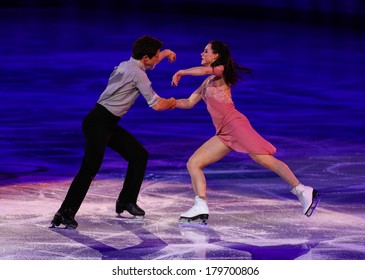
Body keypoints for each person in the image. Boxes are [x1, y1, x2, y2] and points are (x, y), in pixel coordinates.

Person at [171, 40, 320, 224]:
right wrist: (167, 102)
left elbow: (207, 70)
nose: (202, 54)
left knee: (263, 159)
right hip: (224, 132)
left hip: (235, 125)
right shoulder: (207, 82)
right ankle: (200, 206)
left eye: (206, 51)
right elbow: (188, 102)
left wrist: (181, 72)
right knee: (194, 163)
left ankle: (302, 190)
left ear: (216, 56)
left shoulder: (221, 72)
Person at [51, 35, 177, 228]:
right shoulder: (139, 75)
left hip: (104, 122)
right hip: (98, 123)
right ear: (145, 57)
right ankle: (64, 212)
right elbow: (157, 105)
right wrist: (173, 102)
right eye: (156, 55)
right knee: (89, 168)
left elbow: (150, 61)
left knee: (138, 155)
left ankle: (126, 200)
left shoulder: (129, 64)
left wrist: (166, 53)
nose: (157, 58)